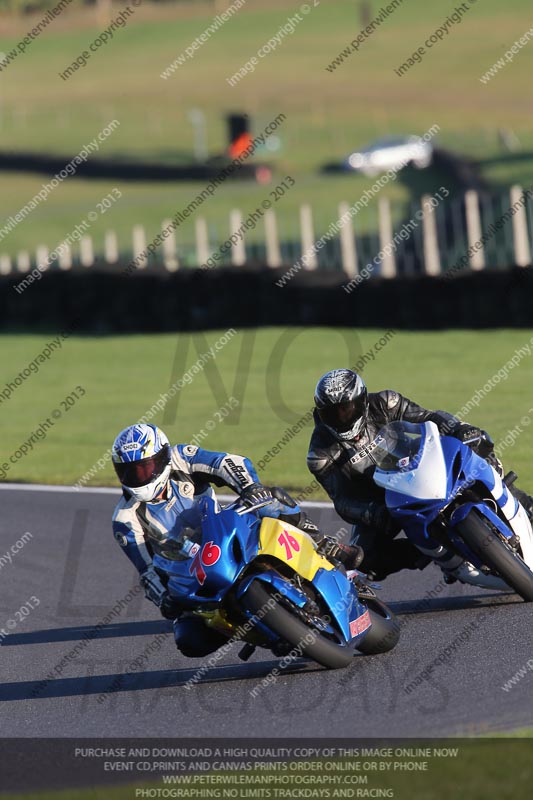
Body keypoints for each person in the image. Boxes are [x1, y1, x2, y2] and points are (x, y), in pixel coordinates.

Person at [111, 423, 362, 657]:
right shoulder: (125, 519)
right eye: (130, 472)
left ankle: (326, 545)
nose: (139, 477)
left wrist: (250, 487)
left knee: (272, 500)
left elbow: (227, 463)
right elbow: (147, 570)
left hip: (222, 529)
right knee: (190, 639)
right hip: (191, 571)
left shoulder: (181, 457)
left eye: (145, 467)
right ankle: (264, 633)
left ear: (162, 457)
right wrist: (162, 598)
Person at [307, 368, 533, 581]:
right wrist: (372, 513)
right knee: (365, 558)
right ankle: (436, 553)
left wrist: (459, 429)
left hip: (418, 464)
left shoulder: (386, 402)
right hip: (383, 501)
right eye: (332, 413)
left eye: (347, 408)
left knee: (478, 453)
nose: (341, 417)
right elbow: (343, 501)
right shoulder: (320, 454)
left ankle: (521, 503)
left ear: (362, 400)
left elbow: (429, 418)